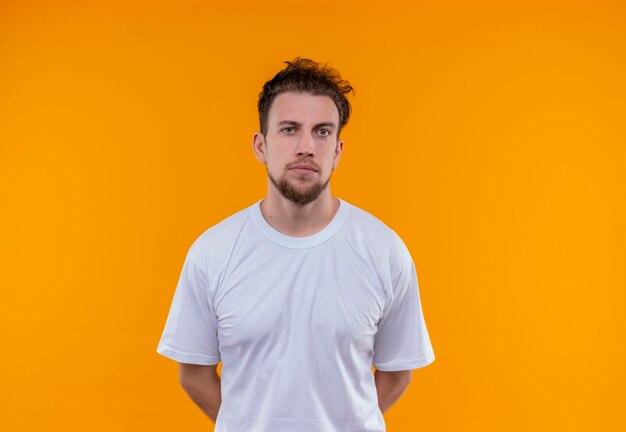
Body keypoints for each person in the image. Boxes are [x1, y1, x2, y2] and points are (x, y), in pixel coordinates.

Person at [157, 57, 435, 431]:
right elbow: (193, 373)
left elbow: (397, 371)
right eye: (289, 129)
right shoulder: (212, 252)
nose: (306, 146)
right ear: (261, 146)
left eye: (322, 132)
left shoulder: (385, 252)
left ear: (337, 151)